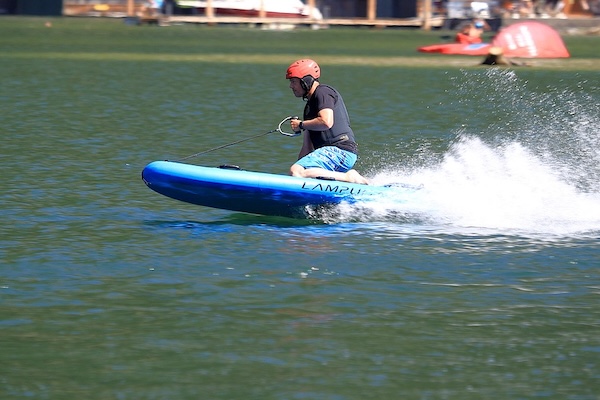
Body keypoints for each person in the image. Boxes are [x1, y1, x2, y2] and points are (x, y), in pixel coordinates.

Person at [285, 59, 369, 185]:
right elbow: (307, 148)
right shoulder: (309, 109)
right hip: (330, 154)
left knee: (297, 171)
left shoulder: (323, 92)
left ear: (305, 81)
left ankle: (349, 178)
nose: (291, 86)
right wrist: (297, 175)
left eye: (293, 81)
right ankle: (345, 181)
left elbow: (326, 122)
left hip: (340, 151)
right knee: (298, 171)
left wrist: (301, 124)